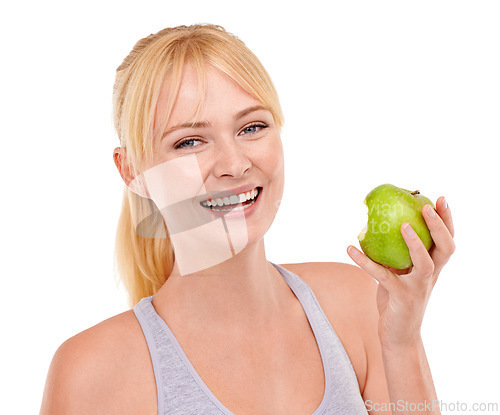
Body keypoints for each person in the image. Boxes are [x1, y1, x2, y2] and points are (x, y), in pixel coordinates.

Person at [40, 24, 455, 414]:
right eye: (189, 141)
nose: (234, 164)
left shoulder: (357, 304)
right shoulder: (90, 374)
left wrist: (401, 342)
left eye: (252, 127)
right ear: (131, 171)